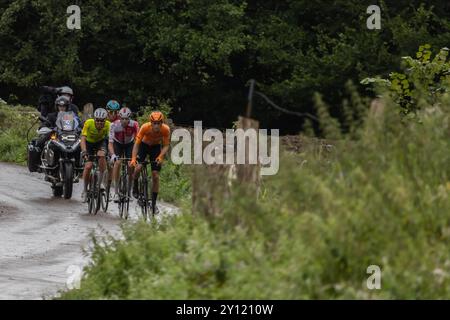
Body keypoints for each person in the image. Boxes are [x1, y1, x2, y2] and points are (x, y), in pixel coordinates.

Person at [130, 111, 170, 215]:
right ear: (151, 122)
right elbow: (136, 144)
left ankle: (153, 203)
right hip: (143, 146)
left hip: (155, 148)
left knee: (155, 176)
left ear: (162, 122)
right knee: (138, 168)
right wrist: (134, 158)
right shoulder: (144, 127)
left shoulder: (166, 129)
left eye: (158, 123)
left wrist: (160, 156)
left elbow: (166, 145)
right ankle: (135, 186)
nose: (156, 125)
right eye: (154, 123)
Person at [108, 107, 139, 202]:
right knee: (117, 163)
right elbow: (110, 143)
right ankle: (116, 192)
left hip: (130, 144)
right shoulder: (114, 125)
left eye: (126, 119)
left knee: (131, 165)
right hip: (118, 144)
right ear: (119, 118)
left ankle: (129, 192)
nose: (124, 121)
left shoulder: (135, 124)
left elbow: (138, 140)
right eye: (122, 119)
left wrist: (135, 155)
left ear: (129, 118)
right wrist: (113, 155)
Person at [80, 108, 111, 202]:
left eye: (102, 121)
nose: (99, 123)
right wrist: (84, 151)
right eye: (97, 120)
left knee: (102, 156)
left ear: (105, 120)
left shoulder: (108, 125)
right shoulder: (88, 123)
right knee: (88, 166)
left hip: (100, 143)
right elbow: (83, 139)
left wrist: (110, 153)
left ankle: (100, 182)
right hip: (88, 144)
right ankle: (85, 190)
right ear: (94, 119)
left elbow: (110, 140)